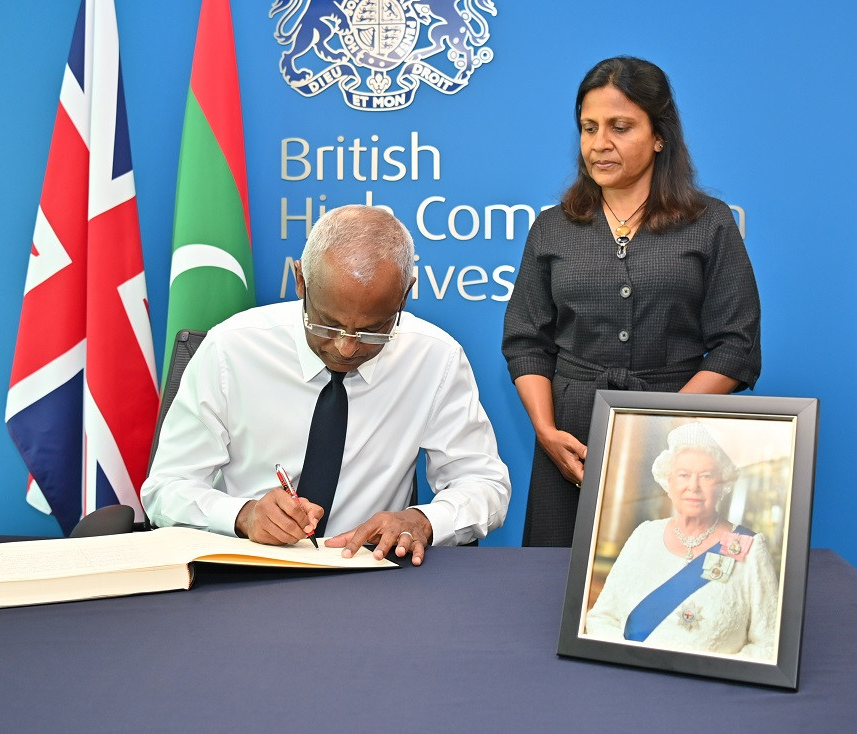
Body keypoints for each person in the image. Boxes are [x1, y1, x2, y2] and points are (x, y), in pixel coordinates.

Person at [141, 205, 511, 565]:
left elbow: (485, 484)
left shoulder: (434, 358)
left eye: (373, 330)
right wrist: (244, 515)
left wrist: (424, 521)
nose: (346, 347)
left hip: (370, 574)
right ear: (301, 281)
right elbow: (166, 488)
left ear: (405, 295)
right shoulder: (231, 349)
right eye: (327, 324)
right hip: (246, 569)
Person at [501, 56, 761, 546]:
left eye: (620, 127)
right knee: (553, 580)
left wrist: (657, 427)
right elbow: (525, 342)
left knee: (664, 575)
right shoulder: (552, 227)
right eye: (589, 128)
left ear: (659, 135)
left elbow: (737, 347)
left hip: (677, 441)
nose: (600, 143)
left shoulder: (710, 223)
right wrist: (545, 430)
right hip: (570, 442)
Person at [584, 423, 779, 659]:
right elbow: (601, 617)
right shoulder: (644, 535)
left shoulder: (749, 547)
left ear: (722, 485)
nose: (693, 487)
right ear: (669, 482)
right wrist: (630, 662)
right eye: (684, 475)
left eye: (706, 476)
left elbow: (768, 645)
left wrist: (713, 673)